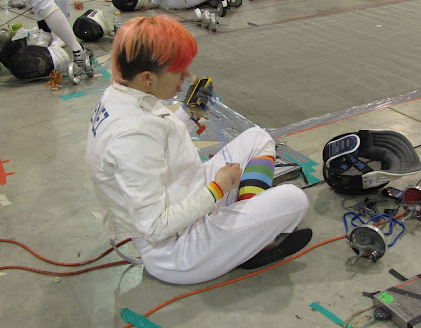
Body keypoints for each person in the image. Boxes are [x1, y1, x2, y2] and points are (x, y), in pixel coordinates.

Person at [85, 15, 312, 284]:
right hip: (176, 250)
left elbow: (159, 138)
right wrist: (217, 189)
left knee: (257, 137)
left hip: (184, 194)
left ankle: (245, 231)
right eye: (178, 70)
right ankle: (250, 243)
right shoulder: (130, 135)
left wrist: (190, 113)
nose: (186, 76)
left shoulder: (123, 92)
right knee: (294, 199)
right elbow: (155, 227)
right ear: (147, 77)